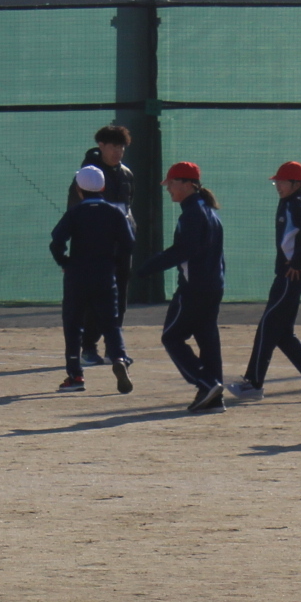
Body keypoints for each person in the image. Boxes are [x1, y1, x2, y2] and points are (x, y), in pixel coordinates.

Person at [231, 161, 301, 404]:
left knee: (268, 327)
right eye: (276, 182)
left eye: (282, 181)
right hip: (288, 275)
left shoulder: (295, 205)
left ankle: (253, 383)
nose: (278, 185)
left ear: (296, 184)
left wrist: (297, 262)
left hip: (291, 276)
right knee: (281, 332)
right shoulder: (289, 202)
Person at [134, 160, 228, 413]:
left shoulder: (193, 213)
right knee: (207, 340)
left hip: (194, 288)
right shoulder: (208, 210)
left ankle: (206, 383)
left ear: (188, 184)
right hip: (212, 286)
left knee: (172, 337)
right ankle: (213, 398)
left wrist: (146, 268)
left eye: (172, 183)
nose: (168, 189)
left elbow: (182, 251)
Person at [49, 164, 136, 392]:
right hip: (105, 274)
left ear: (79, 189)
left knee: (73, 324)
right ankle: (119, 357)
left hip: (77, 275)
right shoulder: (114, 213)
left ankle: (75, 375)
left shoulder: (75, 213)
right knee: (110, 322)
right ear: (103, 187)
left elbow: (56, 241)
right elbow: (128, 244)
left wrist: (65, 263)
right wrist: (114, 263)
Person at [68, 125, 138, 368]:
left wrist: (129, 234)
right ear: (101, 146)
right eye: (113, 146)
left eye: (122, 147)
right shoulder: (87, 177)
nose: (118, 151)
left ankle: (114, 350)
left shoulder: (126, 174)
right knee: (93, 300)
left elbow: (128, 208)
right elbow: (76, 213)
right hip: (95, 251)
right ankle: (88, 348)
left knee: (120, 298)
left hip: (121, 248)